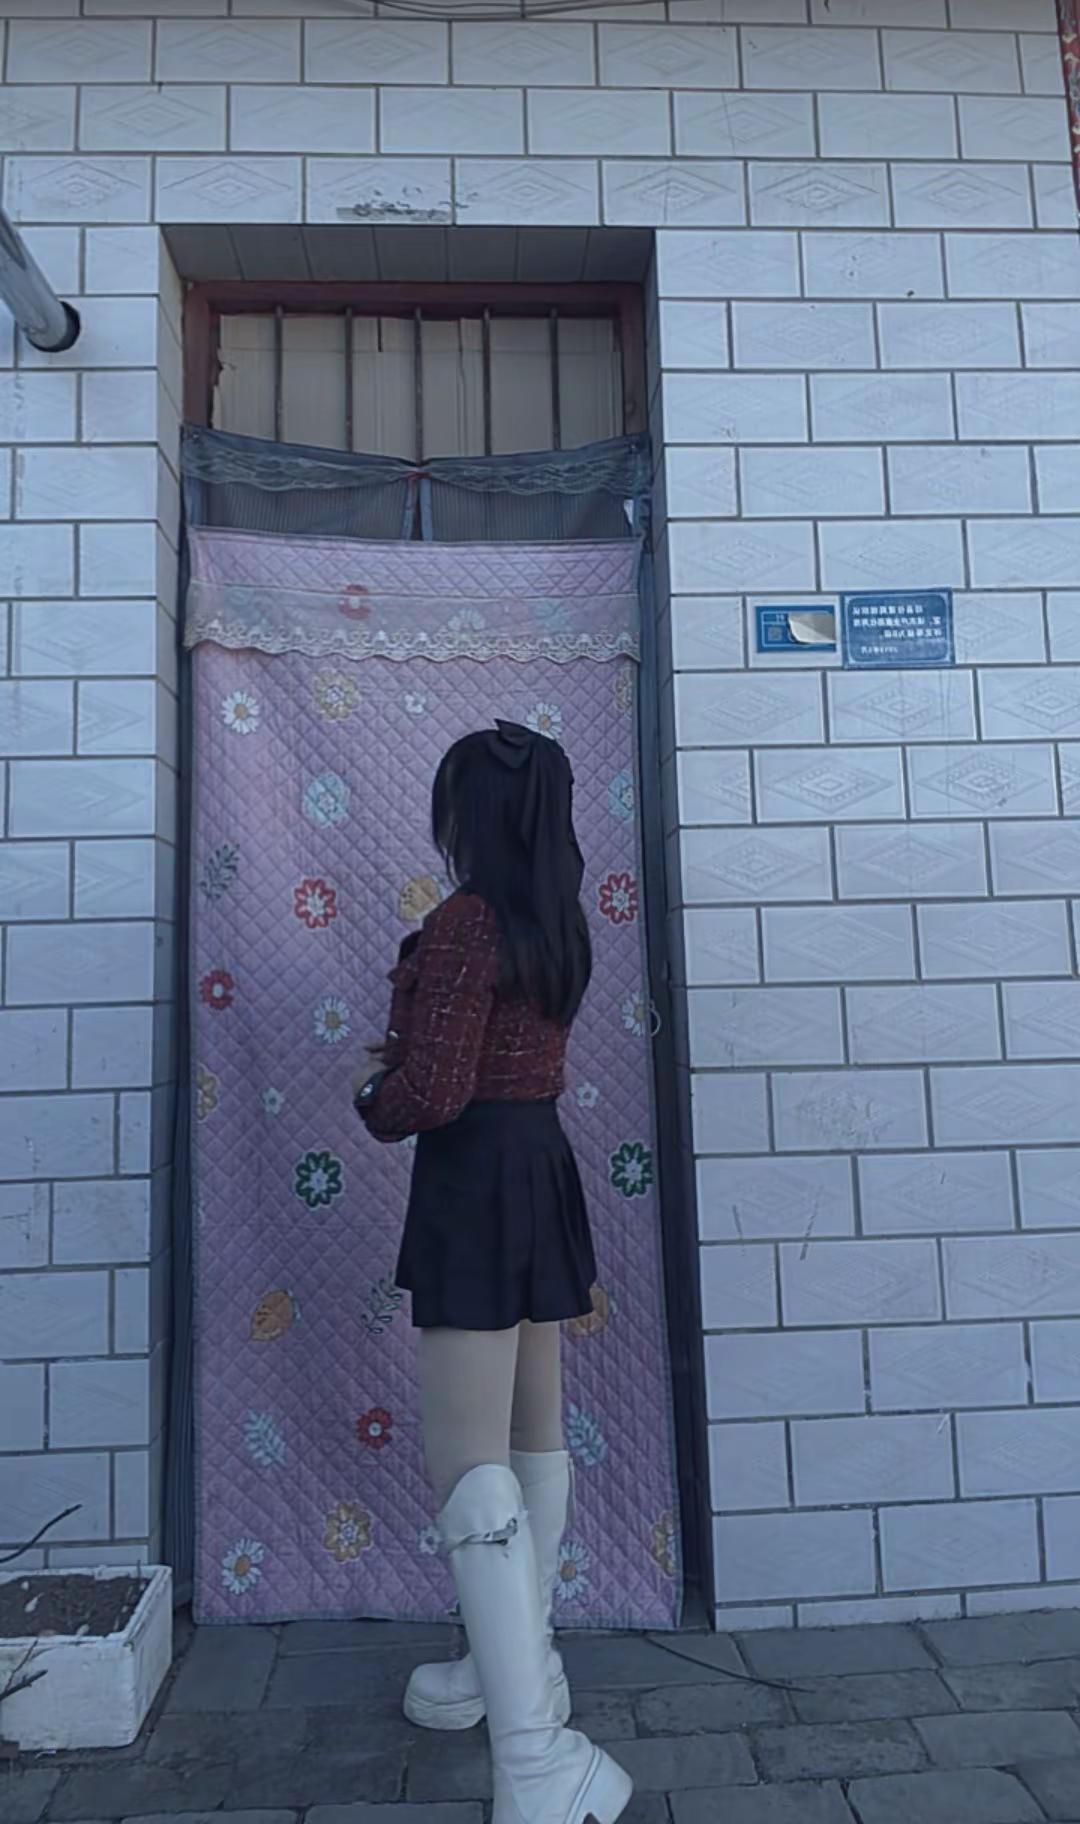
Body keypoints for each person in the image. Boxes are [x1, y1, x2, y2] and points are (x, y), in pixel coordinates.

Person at [354, 720, 632, 1824]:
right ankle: (515, 1666)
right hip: (539, 1164)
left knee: (467, 1463)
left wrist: (373, 1094)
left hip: (475, 1179)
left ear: (469, 814)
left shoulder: (468, 922)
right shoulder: (559, 918)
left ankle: (535, 1760)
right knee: (531, 1434)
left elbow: (434, 1092)